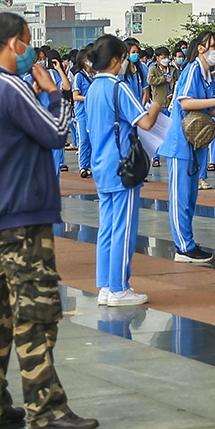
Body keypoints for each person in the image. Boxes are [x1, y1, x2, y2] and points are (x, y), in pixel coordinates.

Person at [0, 10, 95, 429]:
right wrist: (55, 94)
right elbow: (56, 133)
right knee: (35, 311)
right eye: (28, 41)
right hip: (21, 215)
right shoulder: (9, 85)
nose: (31, 50)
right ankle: (45, 407)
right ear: (14, 42)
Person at [84, 35, 163, 306]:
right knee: (124, 229)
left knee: (107, 227)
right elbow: (146, 123)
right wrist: (158, 103)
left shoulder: (94, 88)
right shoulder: (119, 87)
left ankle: (106, 286)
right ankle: (119, 288)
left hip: (101, 165)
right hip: (122, 168)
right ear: (117, 59)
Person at [156, 32, 215, 263]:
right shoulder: (193, 70)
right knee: (180, 196)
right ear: (200, 48)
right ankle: (183, 247)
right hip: (180, 142)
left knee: (190, 197)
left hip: (196, 141)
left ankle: (188, 241)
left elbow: (206, 109)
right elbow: (186, 102)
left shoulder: (207, 75)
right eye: (212, 46)